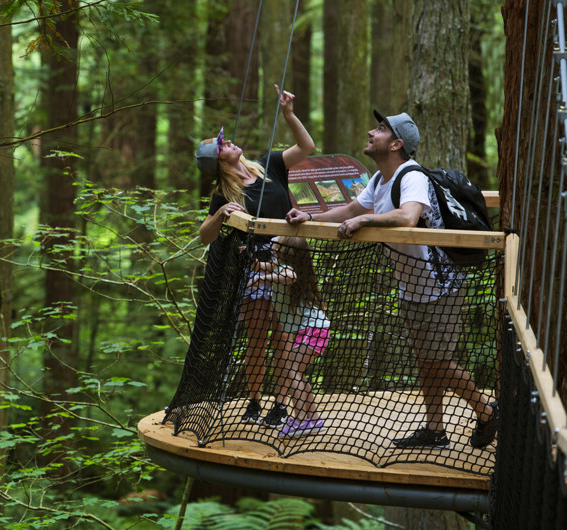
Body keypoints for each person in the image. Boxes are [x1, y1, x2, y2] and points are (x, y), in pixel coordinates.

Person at [286, 110, 499, 449]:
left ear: (396, 143)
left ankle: (486, 409)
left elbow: (409, 215)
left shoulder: (410, 175)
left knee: (437, 361)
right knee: (426, 362)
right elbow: (350, 210)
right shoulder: (379, 179)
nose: (372, 132)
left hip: (440, 284)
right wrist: (310, 215)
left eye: (381, 129)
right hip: (412, 285)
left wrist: (366, 221)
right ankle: (435, 430)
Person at [196, 85, 315, 425]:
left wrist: (289, 116)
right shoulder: (223, 193)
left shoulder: (269, 166)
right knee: (259, 338)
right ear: (219, 160)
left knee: (285, 338)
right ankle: (254, 401)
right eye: (224, 145)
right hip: (254, 272)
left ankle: (280, 404)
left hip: (289, 264)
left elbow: (307, 147)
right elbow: (205, 237)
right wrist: (220, 215)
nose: (230, 142)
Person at [249, 236, 330, 436]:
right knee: (296, 371)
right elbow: (263, 266)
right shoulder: (278, 265)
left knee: (292, 370)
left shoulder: (289, 270)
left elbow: (289, 276)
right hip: (313, 329)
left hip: (313, 329)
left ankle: (302, 419)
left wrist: (263, 278)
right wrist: (249, 257)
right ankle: (312, 418)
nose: (274, 243)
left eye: (278, 244)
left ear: (287, 252)